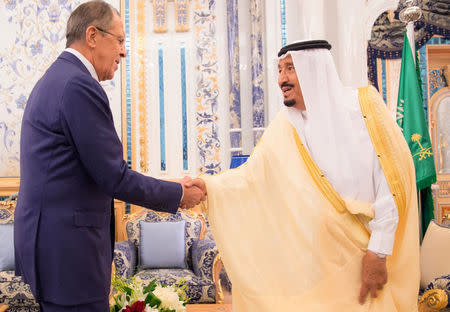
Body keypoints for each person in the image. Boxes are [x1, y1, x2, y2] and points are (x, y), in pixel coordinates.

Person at [189, 40, 420, 311]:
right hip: (315, 268)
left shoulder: (364, 108)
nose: (281, 79)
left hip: (363, 259)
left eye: (290, 68)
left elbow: (393, 183)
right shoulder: (286, 125)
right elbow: (250, 177)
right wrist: (207, 186)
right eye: (279, 70)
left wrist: (378, 251)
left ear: (314, 70)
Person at [14, 1, 205, 311]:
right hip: (69, 257)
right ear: (92, 35)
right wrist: (178, 193)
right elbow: (114, 176)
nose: (123, 52)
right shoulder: (79, 85)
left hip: (50, 250)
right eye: (119, 40)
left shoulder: (55, 79)